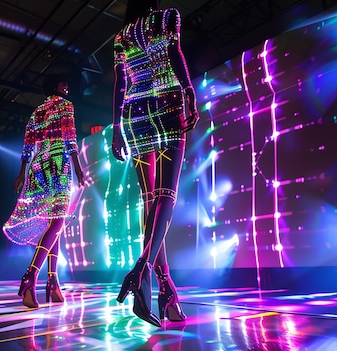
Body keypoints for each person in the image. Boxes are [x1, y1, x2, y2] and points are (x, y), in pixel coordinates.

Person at [112, 0, 199, 326]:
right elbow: (175, 54)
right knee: (165, 197)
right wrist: (189, 92)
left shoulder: (120, 37)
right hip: (166, 105)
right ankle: (143, 271)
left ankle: (165, 292)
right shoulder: (167, 17)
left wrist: (117, 129)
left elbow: (121, 83)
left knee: (152, 206)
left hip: (134, 114)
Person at [3, 74, 85, 308]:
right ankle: (31, 276)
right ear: (54, 85)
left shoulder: (36, 111)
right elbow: (70, 139)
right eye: (63, 82)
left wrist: (22, 172)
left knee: (52, 224)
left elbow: (28, 145)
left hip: (39, 165)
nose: (67, 85)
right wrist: (78, 168)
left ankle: (53, 282)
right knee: (58, 223)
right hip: (59, 164)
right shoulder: (66, 106)